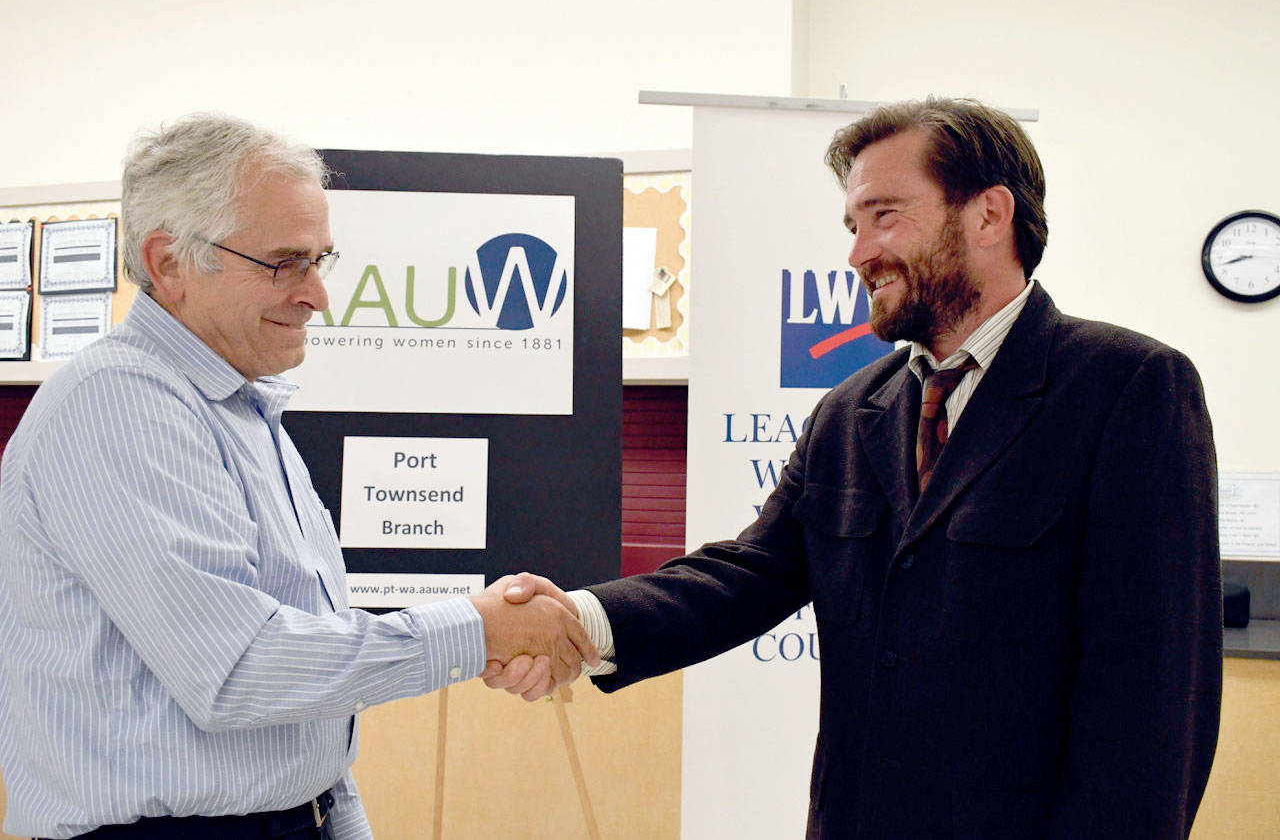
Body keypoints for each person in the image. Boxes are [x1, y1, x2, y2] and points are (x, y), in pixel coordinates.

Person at [488, 97, 1222, 838]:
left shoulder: (1126, 388)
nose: (858, 253)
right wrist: (580, 619)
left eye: (885, 216)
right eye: (853, 224)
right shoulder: (851, 411)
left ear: (989, 215)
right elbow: (748, 573)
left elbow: (1155, 701)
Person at [0, 113, 597, 840]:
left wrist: (339, 818)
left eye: (322, 259)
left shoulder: (243, 410)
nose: (318, 295)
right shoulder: (118, 406)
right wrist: (478, 630)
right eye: (285, 262)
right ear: (168, 263)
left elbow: (296, 708)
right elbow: (239, 668)